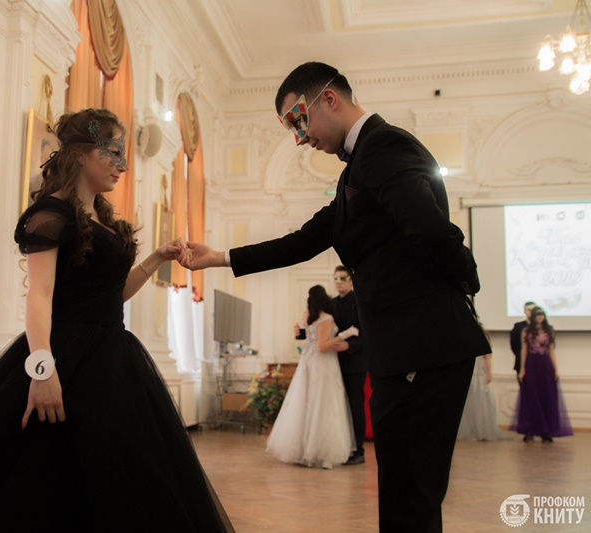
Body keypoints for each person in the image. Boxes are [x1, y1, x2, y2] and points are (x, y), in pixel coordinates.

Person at [0, 109, 233, 532]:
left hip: (113, 358)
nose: (121, 164)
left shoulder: (105, 219)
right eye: (112, 152)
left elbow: (112, 295)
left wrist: (155, 258)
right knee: (44, 476)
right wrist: (42, 369)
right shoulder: (51, 214)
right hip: (65, 356)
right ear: (80, 154)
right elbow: (40, 296)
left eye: (123, 154)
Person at [179, 61, 490, 533]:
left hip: (422, 345)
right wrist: (220, 257)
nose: (299, 138)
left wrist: (465, 285)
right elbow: (303, 241)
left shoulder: (382, 145)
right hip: (402, 347)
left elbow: (432, 231)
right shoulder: (355, 170)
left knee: (413, 492)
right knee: (404, 492)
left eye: (298, 121)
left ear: (329, 98)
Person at [268, 285, 354, 469]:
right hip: (323, 364)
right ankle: (320, 452)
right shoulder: (326, 318)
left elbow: (310, 339)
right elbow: (322, 346)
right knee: (324, 404)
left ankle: (301, 449)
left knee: (305, 403)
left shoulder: (306, 315)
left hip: (307, 362)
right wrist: (345, 335)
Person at [509, 307, 573, 443]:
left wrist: (556, 369)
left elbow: (551, 350)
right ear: (533, 317)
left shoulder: (549, 330)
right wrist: (522, 369)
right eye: (537, 315)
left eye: (542, 314)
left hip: (545, 364)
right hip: (531, 364)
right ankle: (530, 430)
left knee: (546, 395)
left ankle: (546, 431)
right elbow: (523, 350)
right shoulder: (526, 331)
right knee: (531, 396)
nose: (540, 317)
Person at [329, 265, 368, 465]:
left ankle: (358, 449)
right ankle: (342, 446)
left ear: (351, 281)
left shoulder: (360, 301)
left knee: (355, 406)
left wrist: (349, 345)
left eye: (342, 278)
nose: (338, 282)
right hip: (333, 363)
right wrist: (301, 333)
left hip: (355, 363)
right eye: (335, 278)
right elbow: (322, 327)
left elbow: (367, 332)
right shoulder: (331, 303)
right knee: (338, 406)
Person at [457, 328, 500, 441]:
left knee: (481, 401)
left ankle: (482, 430)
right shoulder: (468, 338)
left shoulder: (482, 338)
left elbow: (487, 357)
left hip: (480, 374)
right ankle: (470, 430)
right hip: (471, 373)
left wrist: (489, 373)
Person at [509, 301, 537, 384]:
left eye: (533, 310)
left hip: (538, 362)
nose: (531, 312)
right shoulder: (518, 326)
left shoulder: (541, 326)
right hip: (522, 362)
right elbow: (514, 344)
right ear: (524, 311)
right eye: (528, 310)